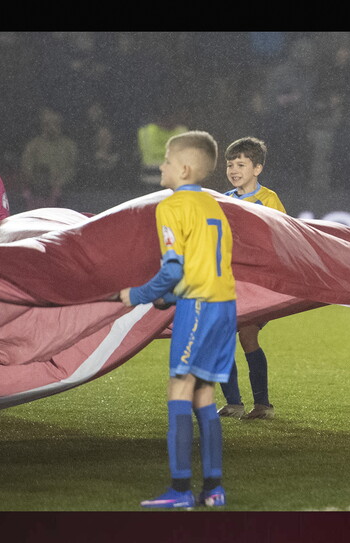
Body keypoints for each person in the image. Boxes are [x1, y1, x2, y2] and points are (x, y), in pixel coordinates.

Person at [118, 131, 235, 508]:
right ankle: (214, 490)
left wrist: (135, 295)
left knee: (179, 389)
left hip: (198, 306)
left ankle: (181, 490)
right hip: (224, 306)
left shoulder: (170, 207)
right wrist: (170, 297)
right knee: (204, 393)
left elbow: (172, 270)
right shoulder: (214, 207)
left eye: (166, 161)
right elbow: (202, 264)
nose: (161, 167)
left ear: (183, 168)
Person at [216, 137, 286, 421]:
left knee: (247, 335)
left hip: (259, 284)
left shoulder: (269, 200)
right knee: (220, 340)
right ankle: (233, 403)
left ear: (257, 169)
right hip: (229, 283)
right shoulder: (223, 200)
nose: (234, 170)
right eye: (230, 165)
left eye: (241, 165)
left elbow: (283, 238)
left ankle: (263, 405)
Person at [19, 106, 78, 208]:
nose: (51, 127)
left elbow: (73, 168)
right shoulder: (33, 145)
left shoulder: (69, 146)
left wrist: (59, 183)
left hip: (66, 194)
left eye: (55, 123)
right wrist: (40, 185)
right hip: (37, 194)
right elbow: (26, 167)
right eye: (48, 124)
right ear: (42, 125)